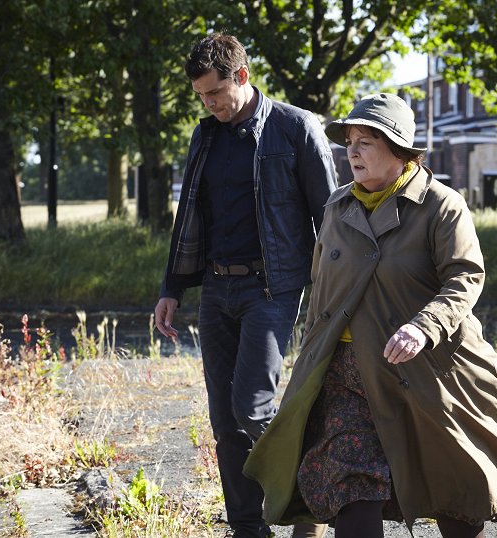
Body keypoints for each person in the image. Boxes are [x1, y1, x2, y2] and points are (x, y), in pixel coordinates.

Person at [244, 93, 497, 538]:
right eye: (349, 141)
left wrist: (424, 327)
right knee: (351, 490)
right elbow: (322, 294)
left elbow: (464, 278)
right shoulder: (337, 207)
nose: (352, 152)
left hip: (427, 373)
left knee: (455, 496)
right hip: (345, 376)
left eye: (366, 141)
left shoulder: (441, 206)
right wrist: (308, 368)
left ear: (399, 150)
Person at [154, 34, 337, 538]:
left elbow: (330, 219)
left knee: (251, 406)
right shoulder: (205, 135)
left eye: (214, 93)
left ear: (242, 76)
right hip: (215, 289)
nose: (208, 104)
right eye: (200, 96)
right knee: (223, 421)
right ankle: (247, 529)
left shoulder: (295, 128)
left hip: (272, 288)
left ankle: (310, 502)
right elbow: (189, 215)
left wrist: (334, 295)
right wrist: (172, 287)